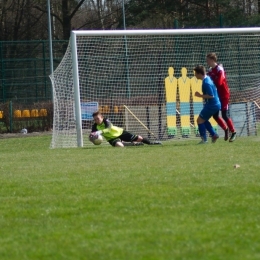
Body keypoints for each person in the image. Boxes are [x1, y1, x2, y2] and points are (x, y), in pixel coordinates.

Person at [206, 52, 237, 142]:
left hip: (224, 95)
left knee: (224, 115)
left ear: (212, 60)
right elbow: (208, 80)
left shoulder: (220, 69)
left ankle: (233, 132)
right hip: (216, 96)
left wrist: (212, 81)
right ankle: (225, 129)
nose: (207, 62)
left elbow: (219, 82)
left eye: (208, 60)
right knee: (215, 116)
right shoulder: (210, 71)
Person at [89, 111, 161, 147]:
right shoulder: (95, 126)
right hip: (112, 139)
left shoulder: (106, 120)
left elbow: (108, 128)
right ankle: (133, 144)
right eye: (95, 119)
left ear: (101, 117)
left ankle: (151, 143)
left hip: (120, 132)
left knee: (139, 138)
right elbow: (92, 136)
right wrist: (92, 139)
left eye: (97, 119)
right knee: (120, 146)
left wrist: (99, 132)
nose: (96, 121)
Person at [193, 65, 220, 144]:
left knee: (199, 120)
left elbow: (211, 95)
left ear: (199, 73)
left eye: (195, 73)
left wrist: (200, 95)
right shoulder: (207, 79)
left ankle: (204, 140)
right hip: (214, 104)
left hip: (212, 105)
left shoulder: (206, 82)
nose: (195, 75)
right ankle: (213, 134)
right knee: (203, 120)